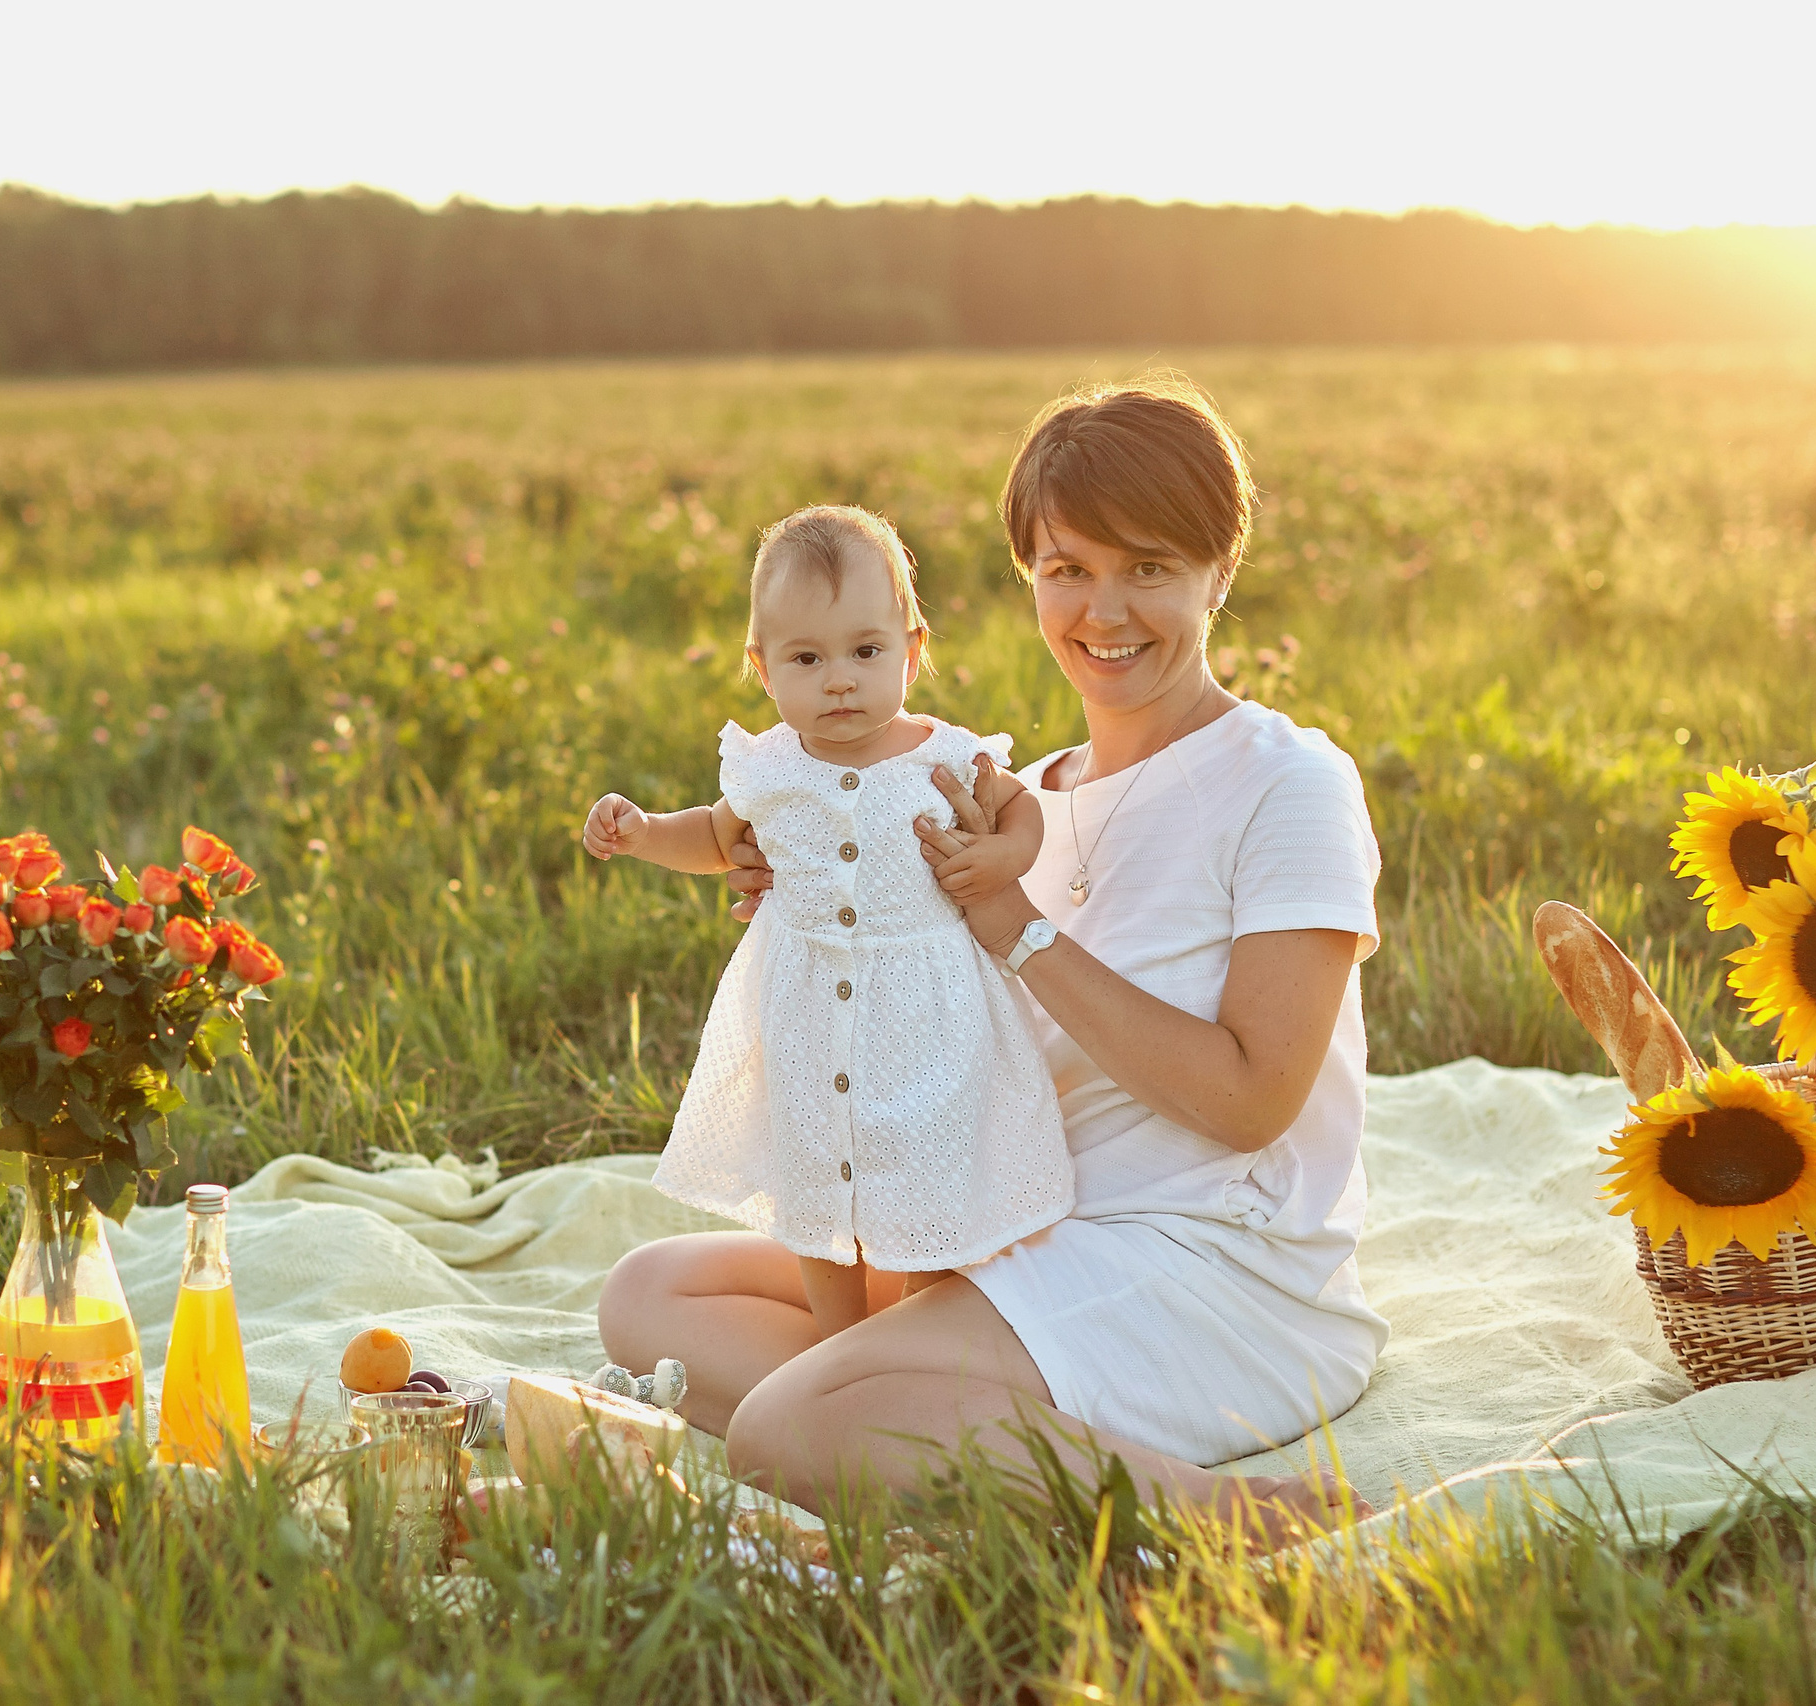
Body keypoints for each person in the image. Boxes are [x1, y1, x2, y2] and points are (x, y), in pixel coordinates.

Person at [600, 380, 1387, 1538]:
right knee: (651, 1294)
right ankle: (919, 1405)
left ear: (1222, 570)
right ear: (1028, 574)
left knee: (784, 1427)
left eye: (1150, 567)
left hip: (1213, 1263)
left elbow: (1252, 1097)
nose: (1104, 608)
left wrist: (1017, 928)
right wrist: (812, 897)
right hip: (1014, 1221)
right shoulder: (1018, 794)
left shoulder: (1287, 780)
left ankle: (1218, 1514)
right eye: (1068, 568)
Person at [582, 505, 1072, 1340]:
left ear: (912, 651)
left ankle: (914, 1329)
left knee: (923, 1181)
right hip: (808, 1019)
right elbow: (713, 835)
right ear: (763, 669)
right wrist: (641, 833)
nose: (840, 679)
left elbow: (1019, 810)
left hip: (929, 1022)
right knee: (815, 1182)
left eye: (866, 651)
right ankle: (837, 1334)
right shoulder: (770, 767)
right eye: (807, 658)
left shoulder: (943, 757)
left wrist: (1004, 860)